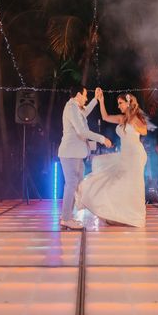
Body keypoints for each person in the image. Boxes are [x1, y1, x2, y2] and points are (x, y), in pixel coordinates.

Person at [75, 89, 148, 227]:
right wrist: (101, 101)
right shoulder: (122, 118)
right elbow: (105, 117)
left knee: (132, 186)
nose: (119, 106)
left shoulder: (136, 118)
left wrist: (133, 120)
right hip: (125, 156)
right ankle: (116, 214)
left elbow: (144, 130)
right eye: (118, 103)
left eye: (120, 103)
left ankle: (134, 217)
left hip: (135, 155)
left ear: (128, 103)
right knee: (116, 183)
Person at [58, 84, 113, 230]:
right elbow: (82, 131)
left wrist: (96, 99)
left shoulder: (76, 108)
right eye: (85, 95)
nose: (86, 98)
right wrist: (102, 139)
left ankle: (67, 214)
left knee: (76, 184)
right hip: (70, 153)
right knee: (71, 184)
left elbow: (85, 111)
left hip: (76, 153)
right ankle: (66, 218)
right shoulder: (71, 107)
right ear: (78, 95)